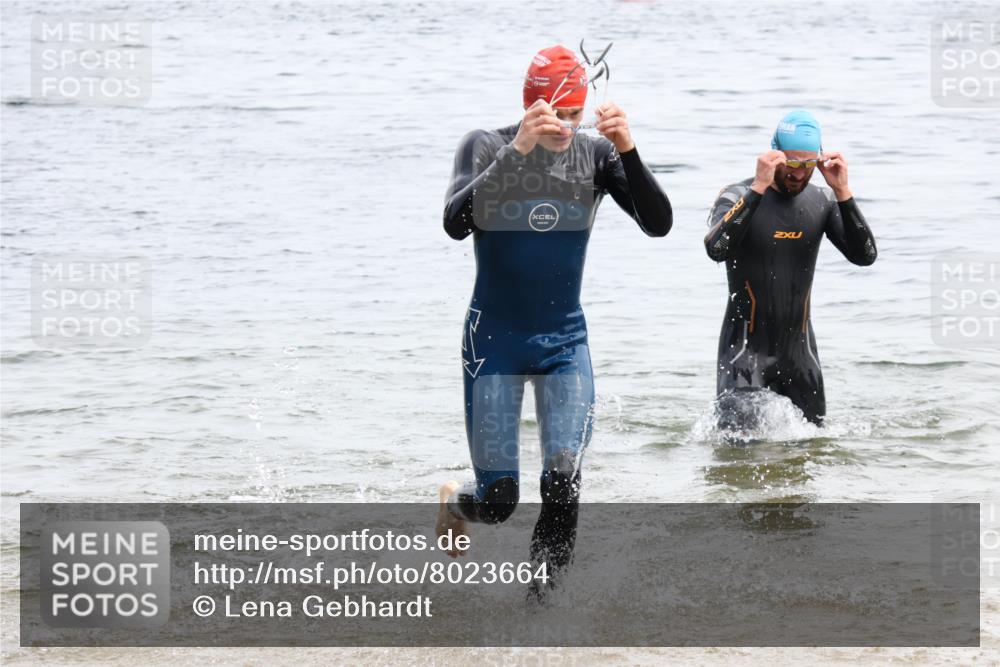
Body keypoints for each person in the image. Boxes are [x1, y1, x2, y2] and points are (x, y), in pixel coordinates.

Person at [436, 45, 672, 595]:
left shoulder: (595, 156)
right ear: (531, 107)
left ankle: (542, 610)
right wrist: (517, 150)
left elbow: (658, 224)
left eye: (574, 115)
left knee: (563, 477)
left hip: (564, 341)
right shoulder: (486, 145)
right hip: (494, 342)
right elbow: (455, 223)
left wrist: (629, 150)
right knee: (499, 501)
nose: (566, 128)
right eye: (555, 116)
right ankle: (456, 503)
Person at [704, 110, 877, 428]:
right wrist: (758, 188)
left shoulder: (822, 201)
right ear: (774, 155)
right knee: (737, 463)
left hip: (800, 358)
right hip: (744, 355)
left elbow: (864, 256)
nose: (799, 173)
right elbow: (715, 248)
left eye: (808, 164)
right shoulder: (738, 195)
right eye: (792, 163)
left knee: (810, 456)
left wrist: (843, 191)